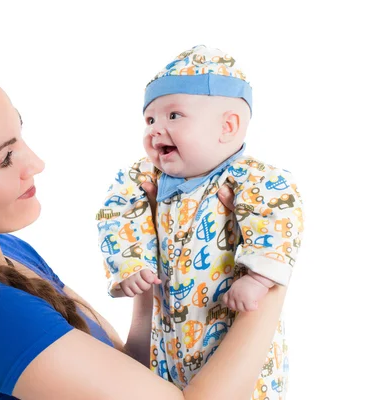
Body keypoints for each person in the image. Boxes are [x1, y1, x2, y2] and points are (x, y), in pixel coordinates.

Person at [0, 51, 288, 400]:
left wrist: (151, 269)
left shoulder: (5, 253)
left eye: (20, 136)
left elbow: (127, 376)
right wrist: (271, 267)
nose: (36, 164)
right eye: (5, 158)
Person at [96, 44, 304, 396]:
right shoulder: (145, 177)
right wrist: (130, 264)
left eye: (173, 116)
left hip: (235, 346)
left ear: (228, 126)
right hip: (166, 348)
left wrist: (258, 277)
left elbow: (279, 214)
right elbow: (115, 212)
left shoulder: (250, 179)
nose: (155, 130)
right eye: (150, 119)